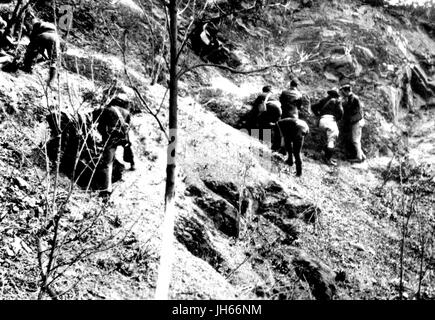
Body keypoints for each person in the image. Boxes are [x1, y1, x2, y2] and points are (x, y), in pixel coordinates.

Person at [92, 95, 135, 197]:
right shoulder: (126, 112)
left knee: (108, 163)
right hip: (122, 136)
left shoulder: (106, 110)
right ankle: (133, 164)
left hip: (110, 138)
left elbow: (93, 120)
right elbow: (128, 127)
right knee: (128, 147)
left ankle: (107, 189)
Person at [22, 15, 60, 87]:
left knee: (31, 50)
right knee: (54, 60)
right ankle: (51, 82)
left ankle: (27, 67)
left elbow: (32, 38)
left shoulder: (37, 24)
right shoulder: (51, 25)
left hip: (43, 36)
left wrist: (34, 48)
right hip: (54, 38)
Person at [312, 88, 343, 166]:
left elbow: (313, 107)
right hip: (330, 121)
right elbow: (341, 112)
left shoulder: (323, 100)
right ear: (336, 95)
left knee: (323, 138)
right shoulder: (337, 101)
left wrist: (318, 115)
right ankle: (327, 159)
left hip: (321, 121)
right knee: (331, 140)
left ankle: (318, 155)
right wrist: (337, 118)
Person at [340, 84, 366, 163]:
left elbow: (348, 108)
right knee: (356, 139)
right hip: (357, 120)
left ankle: (359, 158)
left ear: (346, 91)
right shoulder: (352, 97)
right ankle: (362, 156)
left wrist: (341, 103)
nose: (342, 93)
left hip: (357, 121)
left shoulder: (353, 98)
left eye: (343, 92)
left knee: (355, 140)